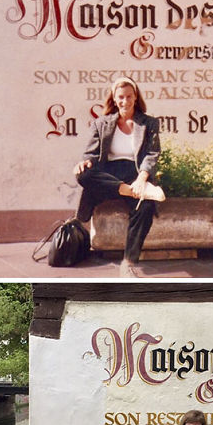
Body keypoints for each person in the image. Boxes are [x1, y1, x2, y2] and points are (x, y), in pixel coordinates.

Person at [73, 76, 165, 277]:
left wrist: (142, 179)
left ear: (135, 97)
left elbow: (152, 154)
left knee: (146, 206)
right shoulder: (101, 123)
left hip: (135, 173)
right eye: (120, 97)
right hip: (109, 176)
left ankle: (129, 261)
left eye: (129, 96)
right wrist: (85, 162)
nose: (125, 101)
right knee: (83, 175)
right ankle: (124, 189)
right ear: (114, 99)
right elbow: (90, 153)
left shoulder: (149, 123)